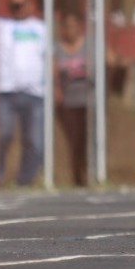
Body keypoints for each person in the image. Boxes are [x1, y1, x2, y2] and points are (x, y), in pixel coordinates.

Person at [0, 0, 47, 186]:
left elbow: (49, 58)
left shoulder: (40, 26)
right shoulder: (1, 24)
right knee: (3, 135)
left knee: (34, 141)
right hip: (5, 90)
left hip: (35, 93)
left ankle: (25, 181)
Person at [54, 10, 91, 187]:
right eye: (67, 26)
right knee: (74, 139)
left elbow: (109, 61)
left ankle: (89, 172)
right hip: (68, 103)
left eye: (74, 26)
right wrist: (57, 89)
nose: (70, 30)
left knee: (87, 139)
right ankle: (78, 177)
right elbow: (53, 72)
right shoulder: (58, 48)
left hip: (88, 101)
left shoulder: (89, 46)